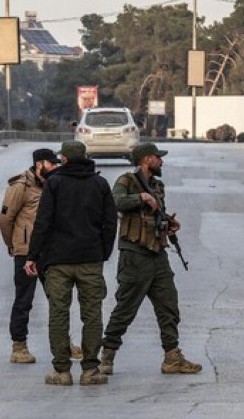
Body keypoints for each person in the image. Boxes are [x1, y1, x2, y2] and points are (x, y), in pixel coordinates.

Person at [100, 142, 202, 377]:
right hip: (134, 254)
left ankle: (172, 356)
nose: (161, 161)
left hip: (157, 253)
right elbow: (114, 202)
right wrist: (141, 197)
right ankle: (107, 354)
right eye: (158, 157)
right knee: (126, 307)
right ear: (146, 159)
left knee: (169, 306)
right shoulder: (127, 181)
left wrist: (167, 223)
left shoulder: (157, 184)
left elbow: (155, 215)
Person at [25, 141, 116, 386]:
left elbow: (43, 222)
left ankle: (62, 371)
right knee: (92, 314)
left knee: (58, 314)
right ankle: (90, 370)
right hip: (90, 259)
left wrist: (33, 256)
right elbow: (110, 223)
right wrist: (103, 252)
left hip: (58, 261)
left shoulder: (54, 183)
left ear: (64, 159)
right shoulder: (100, 183)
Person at [0, 148, 61, 364]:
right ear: (40, 164)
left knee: (58, 298)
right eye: (52, 164)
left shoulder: (53, 184)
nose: (55, 168)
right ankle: (19, 345)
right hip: (25, 252)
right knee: (24, 300)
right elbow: (5, 220)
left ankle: (64, 344)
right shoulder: (20, 186)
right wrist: (13, 245)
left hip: (49, 251)